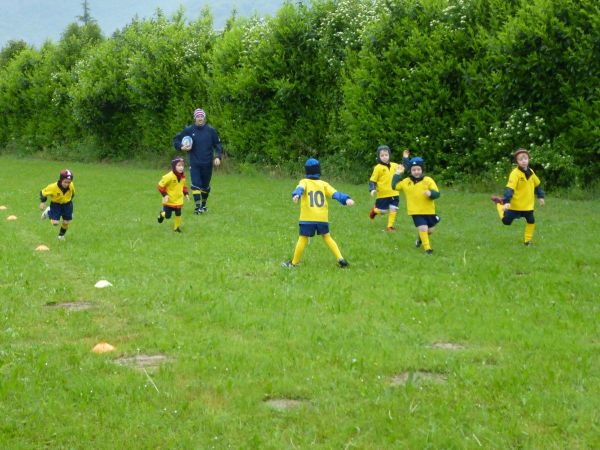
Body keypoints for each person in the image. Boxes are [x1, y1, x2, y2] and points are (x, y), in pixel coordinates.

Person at [283, 158, 355, 268]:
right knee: (327, 237)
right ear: (319, 171)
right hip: (322, 218)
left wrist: (296, 195)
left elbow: (300, 188)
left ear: (306, 171)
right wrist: (346, 199)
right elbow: (335, 194)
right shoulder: (324, 184)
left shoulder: (304, 182)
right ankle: (341, 259)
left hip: (307, 218)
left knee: (303, 238)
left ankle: (294, 263)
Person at [173, 108, 222, 214]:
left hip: (208, 163)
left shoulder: (210, 131)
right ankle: (197, 207)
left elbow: (217, 145)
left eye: (201, 116)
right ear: (195, 118)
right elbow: (176, 139)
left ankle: (203, 206)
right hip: (194, 163)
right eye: (198, 116)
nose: (200, 118)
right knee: (195, 184)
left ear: (204, 118)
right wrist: (181, 147)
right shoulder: (189, 130)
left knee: (205, 186)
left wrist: (218, 156)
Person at [491, 148, 545, 246]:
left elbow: (537, 185)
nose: (523, 161)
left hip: (528, 205)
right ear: (517, 162)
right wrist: (507, 202)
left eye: (525, 158)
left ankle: (527, 241)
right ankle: (500, 204)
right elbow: (509, 189)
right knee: (506, 222)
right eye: (520, 159)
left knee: (531, 220)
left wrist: (541, 197)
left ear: (529, 159)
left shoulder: (531, 172)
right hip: (515, 205)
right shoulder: (514, 174)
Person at [392, 157, 440, 254]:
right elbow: (394, 186)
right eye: (414, 170)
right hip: (415, 211)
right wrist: (397, 174)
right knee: (423, 228)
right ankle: (428, 249)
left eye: (418, 169)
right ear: (410, 171)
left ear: (422, 170)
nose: (416, 172)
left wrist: (431, 193)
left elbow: (437, 194)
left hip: (429, 211)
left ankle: (420, 239)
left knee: (430, 230)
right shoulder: (406, 181)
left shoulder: (428, 180)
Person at [368, 146, 411, 231]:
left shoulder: (395, 165)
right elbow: (372, 180)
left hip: (394, 193)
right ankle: (375, 210)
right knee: (383, 211)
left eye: (386, 155)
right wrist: (372, 189)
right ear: (379, 157)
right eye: (382, 155)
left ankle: (390, 227)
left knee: (393, 208)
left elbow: (405, 168)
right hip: (382, 195)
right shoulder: (378, 168)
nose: (384, 157)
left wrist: (405, 158)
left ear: (389, 155)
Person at [39, 169, 75, 241]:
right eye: (65, 182)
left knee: (66, 222)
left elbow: (73, 194)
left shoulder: (71, 186)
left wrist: (68, 202)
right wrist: (43, 202)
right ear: (61, 180)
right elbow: (43, 193)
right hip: (56, 205)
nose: (67, 184)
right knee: (55, 223)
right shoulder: (53, 187)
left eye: (69, 182)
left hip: (67, 205)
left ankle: (61, 236)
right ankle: (48, 211)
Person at [157, 157, 190, 233]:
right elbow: (160, 186)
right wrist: (165, 195)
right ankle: (161, 214)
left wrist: (186, 194)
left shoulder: (182, 177)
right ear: (174, 166)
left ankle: (176, 228)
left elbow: (183, 186)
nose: (181, 167)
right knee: (168, 216)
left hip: (178, 200)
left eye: (182, 165)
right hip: (169, 201)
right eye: (179, 165)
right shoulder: (169, 176)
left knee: (178, 213)